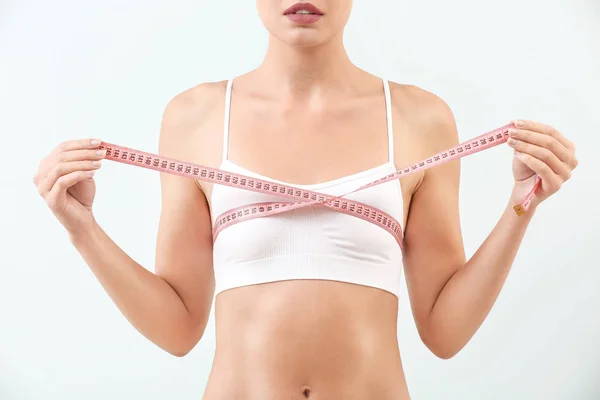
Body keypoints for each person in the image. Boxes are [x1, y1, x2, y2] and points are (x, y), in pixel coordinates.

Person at [33, 1, 578, 399]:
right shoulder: (196, 117)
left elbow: (444, 330)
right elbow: (178, 327)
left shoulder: (419, 118)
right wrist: (82, 228)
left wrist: (520, 205)